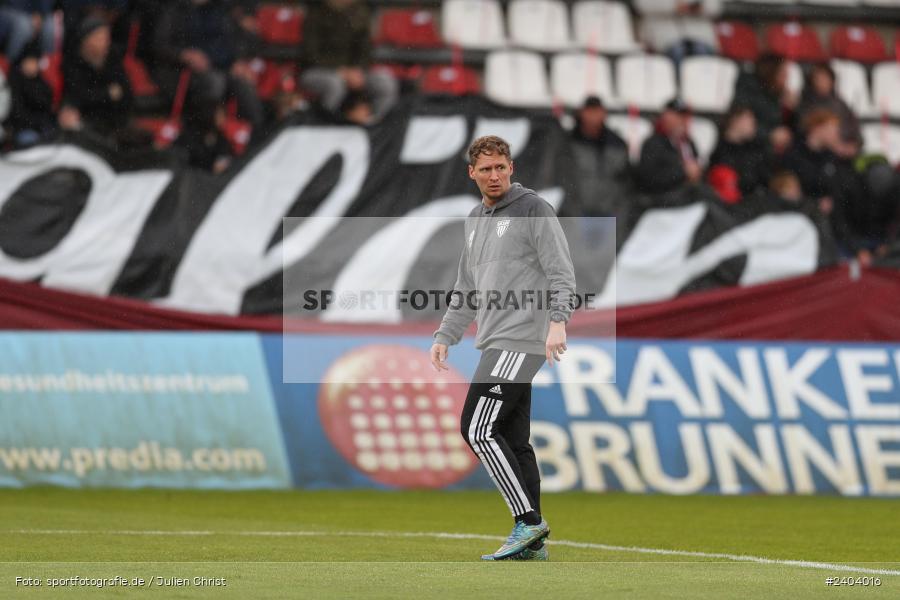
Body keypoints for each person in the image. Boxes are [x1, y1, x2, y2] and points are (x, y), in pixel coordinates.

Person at [430, 135, 575, 562]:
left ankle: (528, 521)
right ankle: (533, 545)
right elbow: (467, 286)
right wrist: (445, 334)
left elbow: (560, 271)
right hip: (496, 338)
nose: (494, 176)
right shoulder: (475, 219)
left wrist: (558, 321)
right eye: (485, 169)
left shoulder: (534, 209)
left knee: (476, 428)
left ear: (511, 168)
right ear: (471, 173)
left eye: (500, 167)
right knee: (515, 439)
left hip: (521, 337)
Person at [152, 0, 264, 131]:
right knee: (215, 82)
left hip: (222, 66)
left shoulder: (221, 10)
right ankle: (207, 135)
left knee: (244, 83)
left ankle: (257, 135)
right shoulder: (175, 9)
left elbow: (235, 42)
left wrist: (237, 61)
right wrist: (184, 54)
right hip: (183, 71)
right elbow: (159, 45)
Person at [300, 0, 398, 121]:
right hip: (317, 70)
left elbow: (365, 50)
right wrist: (341, 70)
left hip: (354, 71)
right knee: (334, 84)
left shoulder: (360, 13)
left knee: (384, 81)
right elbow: (311, 55)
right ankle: (326, 123)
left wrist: (357, 69)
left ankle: (371, 121)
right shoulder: (315, 14)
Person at [60, 16, 134, 139]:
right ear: (86, 40)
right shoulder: (73, 62)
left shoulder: (112, 58)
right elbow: (79, 96)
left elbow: (126, 92)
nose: (105, 42)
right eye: (99, 38)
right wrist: (108, 94)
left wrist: (100, 96)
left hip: (114, 121)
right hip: (86, 121)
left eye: (106, 37)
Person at [570, 95, 630, 217]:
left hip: (608, 213)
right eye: (589, 111)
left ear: (604, 114)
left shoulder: (617, 144)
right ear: (582, 113)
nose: (593, 117)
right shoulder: (568, 142)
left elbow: (625, 183)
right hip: (576, 214)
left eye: (597, 111)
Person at [794, 62, 861, 159]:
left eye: (825, 78)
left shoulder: (840, 104)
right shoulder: (805, 104)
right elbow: (802, 129)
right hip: (814, 154)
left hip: (841, 151)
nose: (822, 82)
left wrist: (850, 144)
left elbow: (853, 129)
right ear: (812, 81)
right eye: (819, 79)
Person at [732, 53, 797, 153]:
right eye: (783, 74)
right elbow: (743, 125)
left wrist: (790, 109)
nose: (786, 79)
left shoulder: (775, 93)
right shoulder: (748, 88)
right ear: (771, 72)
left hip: (765, 151)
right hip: (745, 150)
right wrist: (770, 135)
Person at [635, 98, 701, 195]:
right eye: (677, 116)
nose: (682, 120)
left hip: (687, 194)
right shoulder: (653, 144)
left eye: (684, 116)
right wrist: (682, 172)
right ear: (665, 117)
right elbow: (648, 180)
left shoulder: (688, 143)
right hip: (663, 198)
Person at [707, 105, 771, 198]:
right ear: (735, 120)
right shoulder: (716, 147)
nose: (754, 124)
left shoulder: (755, 150)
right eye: (748, 119)